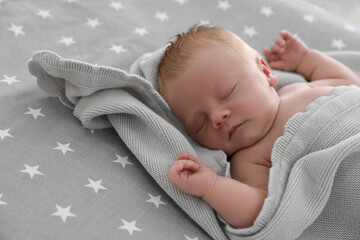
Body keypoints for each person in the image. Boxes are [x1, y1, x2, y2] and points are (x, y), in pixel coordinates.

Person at [157, 25, 360, 229]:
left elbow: (349, 83)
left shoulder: (299, 89)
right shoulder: (248, 160)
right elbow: (260, 212)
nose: (217, 117)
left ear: (264, 71)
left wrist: (306, 59)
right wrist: (211, 186)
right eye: (200, 124)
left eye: (228, 91)